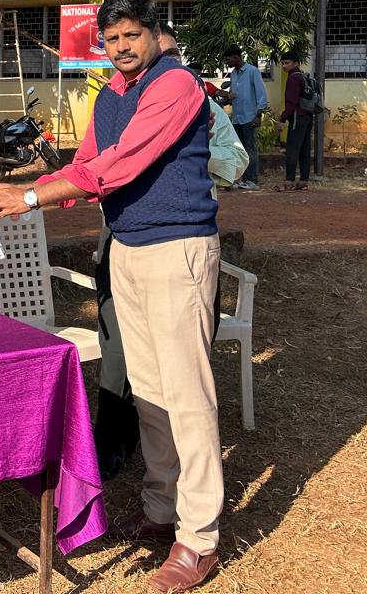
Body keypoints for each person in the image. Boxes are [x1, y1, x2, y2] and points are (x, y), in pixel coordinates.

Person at [0, 0, 223, 594]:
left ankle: (199, 538)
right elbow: (86, 163)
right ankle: (163, 508)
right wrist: (28, 187)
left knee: (187, 395)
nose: (121, 48)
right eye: (111, 40)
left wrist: (31, 197)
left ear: (154, 33)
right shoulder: (110, 94)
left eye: (131, 36)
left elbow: (119, 165)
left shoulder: (176, 85)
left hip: (177, 249)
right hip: (129, 249)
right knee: (151, 391)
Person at [92, 25, 245, 483]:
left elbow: (237, 162)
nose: (163, 65)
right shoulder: (117, 103)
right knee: (120, 352)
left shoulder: (199, 103)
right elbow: (95, 165)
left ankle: (189, 489)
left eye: (172, 56)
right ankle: (114, 447)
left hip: (182, 238)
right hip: (122, 235)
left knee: (183, 367)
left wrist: (187, 150)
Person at [222, 45, 267, 191]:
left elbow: (261, 95)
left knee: (250, 149)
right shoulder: (233, 74)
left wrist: (258, 115)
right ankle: (241, 179)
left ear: (236, 57)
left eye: (228, 59)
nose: (227, 63)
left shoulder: (252, 71)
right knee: (238, 150)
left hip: (249, 117)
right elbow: (233, 94)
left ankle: (252, 180)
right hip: (237, 117)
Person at [277, 52, 313, 192]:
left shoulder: (293, 78)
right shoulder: (302, 76)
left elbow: (291, 103)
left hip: (297, 117)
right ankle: (303, 180)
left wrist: (282, 119)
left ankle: (290, 180)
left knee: (292, 149)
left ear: (296, 63)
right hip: (307, 116)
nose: (284, 66)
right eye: (282, 63)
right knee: (304, 149)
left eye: (287, 63)